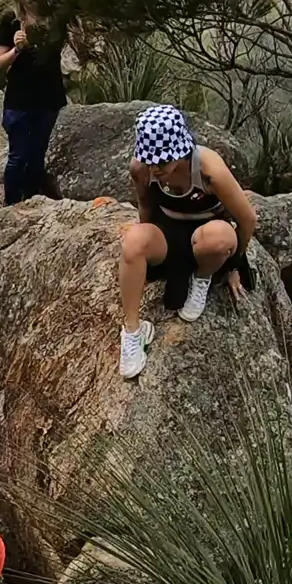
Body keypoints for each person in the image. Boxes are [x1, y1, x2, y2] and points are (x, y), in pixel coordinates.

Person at [115, 104, 257, 379]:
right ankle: (133, 331)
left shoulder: (208, 169)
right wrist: (143, 254)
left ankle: (202, 277)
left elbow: (247, 218)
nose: (156, 169)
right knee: (132, 242)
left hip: (206, 228)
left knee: (218, 239)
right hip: (167, 230)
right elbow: (145, 206)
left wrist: (234, 264)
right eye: (150, 161)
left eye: (163, 162)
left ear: (180, 152)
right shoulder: (141, 168)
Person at [0, 0, 65, 204]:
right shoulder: (11, 21)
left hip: (49, 97)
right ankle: (11, 204)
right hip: (20, 99)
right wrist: (17, 49)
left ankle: (33, 200)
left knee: (37, 154)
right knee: (18, 156)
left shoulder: (56, 18)